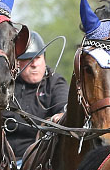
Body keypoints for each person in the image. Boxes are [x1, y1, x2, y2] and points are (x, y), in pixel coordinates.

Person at [5, 30, 69, 159]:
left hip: (39, 158)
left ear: (44, 59)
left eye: (38, 58)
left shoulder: (55, 83)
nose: (34, 64)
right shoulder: (6, 84)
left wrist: (58, 117)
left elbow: (64, 109)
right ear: (17, 62)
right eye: (28, 59)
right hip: (3, 158)